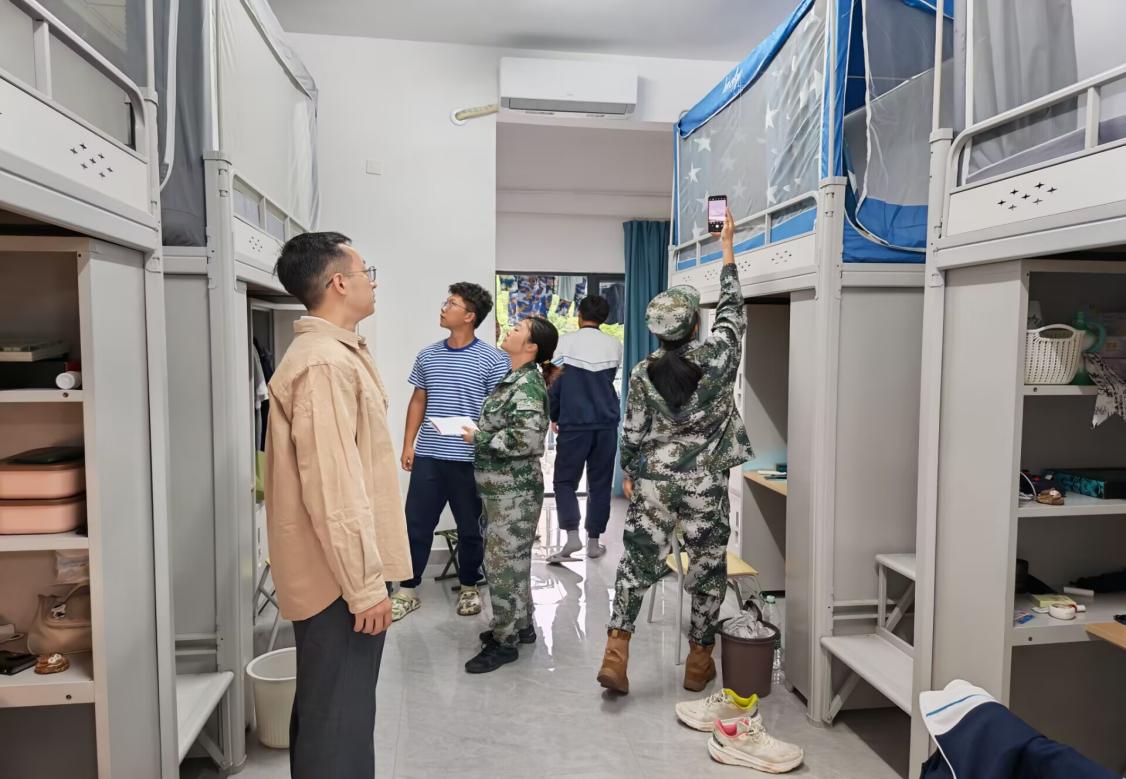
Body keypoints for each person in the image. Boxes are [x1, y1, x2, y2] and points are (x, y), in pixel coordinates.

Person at [264, 232, 410, 778]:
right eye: (365, 271)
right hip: (338, 581)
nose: (372, 281)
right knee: (339, 722)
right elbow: (333, 489)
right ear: (339, 283)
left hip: (337, 572)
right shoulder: (324, 364)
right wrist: (365, 586)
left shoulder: (335, 353)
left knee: (331, 710)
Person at [597, 209, 753, 695]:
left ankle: (616, 655)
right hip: (705, 485)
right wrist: (727, 250)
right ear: (693, 324)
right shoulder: (719, 356)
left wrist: (629, 470)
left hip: (655, 483)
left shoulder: (643, 372)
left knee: (636, 564)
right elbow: (733, 311)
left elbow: (632, 429)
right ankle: (698, 663)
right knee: (707, 571)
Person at [393, 282, 509, 621]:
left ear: (470, 316)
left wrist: (484, 439)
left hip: (470, 460)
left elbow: (499, 411)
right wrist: (409, 444)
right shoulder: (428, 355)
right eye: (446, 302)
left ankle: (470, 586)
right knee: (415, 524)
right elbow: (419, 399)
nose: (443, 308)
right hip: (429, 455)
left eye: (452, 303)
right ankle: (407, 589)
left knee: (470, 528)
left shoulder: (493, 359)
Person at [461, 316, 559, 673]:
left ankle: (505, 642)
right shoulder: (515, 378)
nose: (510, 330)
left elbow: (527, 440)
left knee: (502, 565)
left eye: (518, 329)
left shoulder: (527, 385)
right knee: (512, 562)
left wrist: (479, 438)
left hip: (512, 492)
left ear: (531, 347)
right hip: (502, 490)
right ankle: (522, 625)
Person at [546, 295, 623, 562]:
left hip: (574, 423)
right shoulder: (615, 345)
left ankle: (572, 536)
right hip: (606, 424)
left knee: (565, 481)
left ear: (579, 315)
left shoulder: (564, 342)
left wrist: (554, 415)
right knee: (600, 483)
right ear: (605, 318)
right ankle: (593, 542)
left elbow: (554, 384)